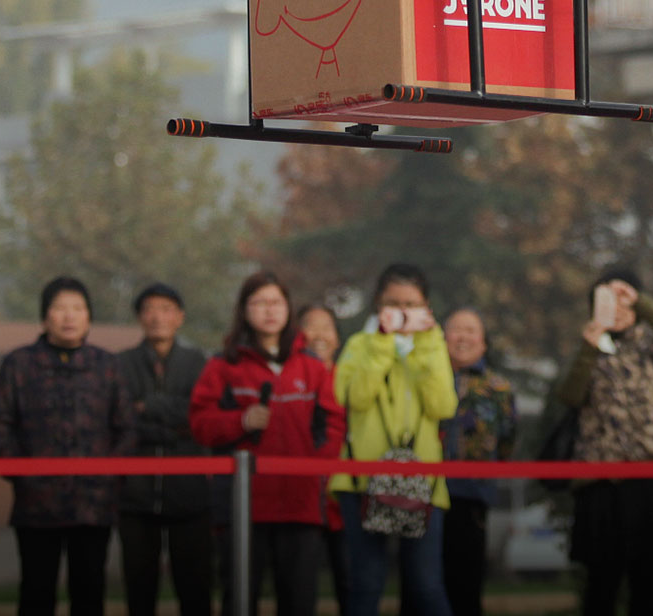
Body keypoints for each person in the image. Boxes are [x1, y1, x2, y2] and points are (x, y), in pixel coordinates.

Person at [190, 272, 346, 616]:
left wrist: (314, 467)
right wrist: (240, 421)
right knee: (240, 599)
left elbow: (333, 424)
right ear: (244, 311)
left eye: (276, 302)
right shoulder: (224, 365)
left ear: (288, 309)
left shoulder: (312, 366)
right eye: (258, 303)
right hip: (243, 507)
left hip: (301, 505)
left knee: (299, 601)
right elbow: (200, 423)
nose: (269, 311)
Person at [0, 277, 134, 616]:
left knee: (89, 592)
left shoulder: (107, 366)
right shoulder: (19, 364)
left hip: (93, 506)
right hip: (37, 505)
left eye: (78, 308)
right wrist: (22, 475)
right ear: (44, 317)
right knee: (37, 592)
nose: (69, 316)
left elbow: (127, 428)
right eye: (60, 308)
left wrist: (108, 476)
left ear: (88, 317)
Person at [556, 266, 653, 616]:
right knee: (601, 581)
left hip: (647, 479)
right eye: (607, 301)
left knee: (646, 579)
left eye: (623, 301)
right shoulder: (588, 350)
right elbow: (571, 396)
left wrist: (641, 300)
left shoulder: (652, 346)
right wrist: (589, 348)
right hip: (601, 481)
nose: (616, 309)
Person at [331, 264, 457, 616]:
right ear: (377, 304)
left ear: (425, 307)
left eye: (410, 304)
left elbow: (443, 405)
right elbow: (353, 399)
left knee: (426, 586)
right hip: (362, 481)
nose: (401, 311)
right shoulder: (359, 344)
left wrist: (430, 342)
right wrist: (382, 345)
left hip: (422, 480)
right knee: (366, 583)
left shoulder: (433, 346)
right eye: (393, 303)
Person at [116, 282, 213, 616]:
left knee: (195, 588)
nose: (158, 317)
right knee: (139, 591)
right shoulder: (121, 364)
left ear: (180, 318)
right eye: (150, 309)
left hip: (190, 495)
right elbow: (121, 416)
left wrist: (149, 406)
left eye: (166, 309)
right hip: (136, 496)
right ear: (140, 317)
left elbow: (198, 413)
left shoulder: (198, 362)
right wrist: (170, 420)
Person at [438, 308, 518, 616]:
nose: (463, 337)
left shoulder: (498, 388)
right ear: (444, 338)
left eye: (471, 331)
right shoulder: (430, 379)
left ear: (483, 342)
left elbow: (509, 437)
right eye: (456, 330)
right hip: (429, 495)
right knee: (425, 581)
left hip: (473, 495)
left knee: (467, 582)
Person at [297, 302, 350, 612]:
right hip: (303, 495)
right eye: (310, 325)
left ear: (337, 339)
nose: (319, 334)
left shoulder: (350, 376)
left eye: (326, 327)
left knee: (350, 578)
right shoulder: (291, 378)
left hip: (343, 496)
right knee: (301, 584)